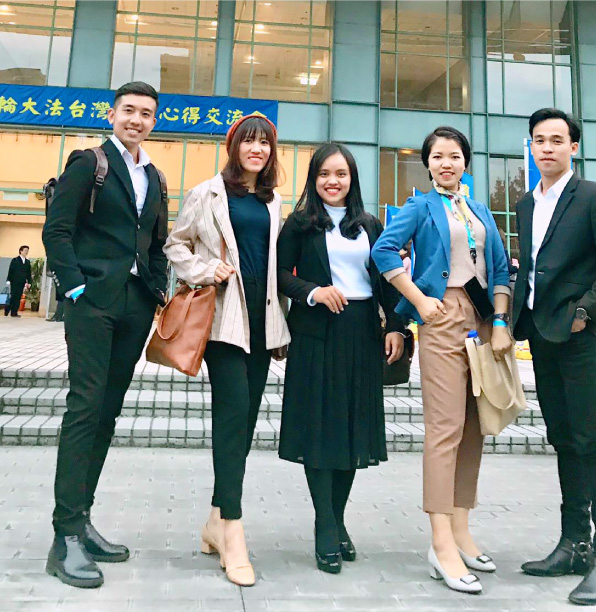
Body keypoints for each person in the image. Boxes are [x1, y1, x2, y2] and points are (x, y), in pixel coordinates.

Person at [372, 126, 512, 595]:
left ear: (465, 162)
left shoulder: (480, 210)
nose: (446, 163)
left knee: (474, 425)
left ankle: (462, 530)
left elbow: (500, 267)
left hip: (482, 319)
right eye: (437, 156)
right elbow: (383, 250)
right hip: (441, 317)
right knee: (446, 427)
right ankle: (440, 542)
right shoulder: (419, 207)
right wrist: (418, 299)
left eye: (454, 156)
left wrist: (501, 321)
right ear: (428, 164)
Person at [42, 81, 168, 588]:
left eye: (146, 113)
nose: (137, 120)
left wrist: (157, 288)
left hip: (135, 306)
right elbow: (57, 230)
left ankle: (82, 519)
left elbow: (155, 240)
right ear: (112, 114)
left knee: (108, 412)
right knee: (85, 407)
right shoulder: (88, 163)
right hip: (93, 302)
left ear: (154, 121)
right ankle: (64, 537)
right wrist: (75, 288)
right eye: (129, 110)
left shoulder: (154, 175)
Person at [512, 108, 596, 606]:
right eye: (539, 140)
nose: (547, 147)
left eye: (556, 140)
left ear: (573, 147)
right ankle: (574, 544)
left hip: (581, 337)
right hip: (542, 337)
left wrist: (585, 312)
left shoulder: (594, 196)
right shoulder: (526, 204)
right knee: (563, 440)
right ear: (531, 146)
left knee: (591, 442)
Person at [164, 114, 290, 587]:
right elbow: (175, 244)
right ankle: (233, 529)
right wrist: (205, 269)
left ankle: (216, 519)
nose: (256, 149)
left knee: (245, 420)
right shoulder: (208, 193)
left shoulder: (274, 200)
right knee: (233, 416)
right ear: (233, 147)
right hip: (224, 322)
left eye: (264, 143)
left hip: (263, 320)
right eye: (248, 141)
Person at [277, 143, 406, 574]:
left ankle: (337, 519)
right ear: (313, 179)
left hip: (361, 332)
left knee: (351, 429)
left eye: (341, 174)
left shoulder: (369, 224)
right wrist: (312, 291)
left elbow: (386, 279)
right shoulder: (299, 224)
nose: (333, 181)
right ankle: (325, 525)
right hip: (316, 332)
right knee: (319, 429)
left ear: (352, 179)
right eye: (324, 174)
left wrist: (396, 327)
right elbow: (279, 273)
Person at [4, 245, 31, 317]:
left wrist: (29, 282)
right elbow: (11, 271)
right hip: (14, 281)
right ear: (21, 251)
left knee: (18, 297)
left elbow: (29, 273)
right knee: (13, 296)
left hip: (22, 282)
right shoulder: (15, 260)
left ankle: (14, 312)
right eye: (25, 250)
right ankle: (7, 308)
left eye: (27, 251)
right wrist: (8, 279)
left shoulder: (27, 262)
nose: (26, 252)